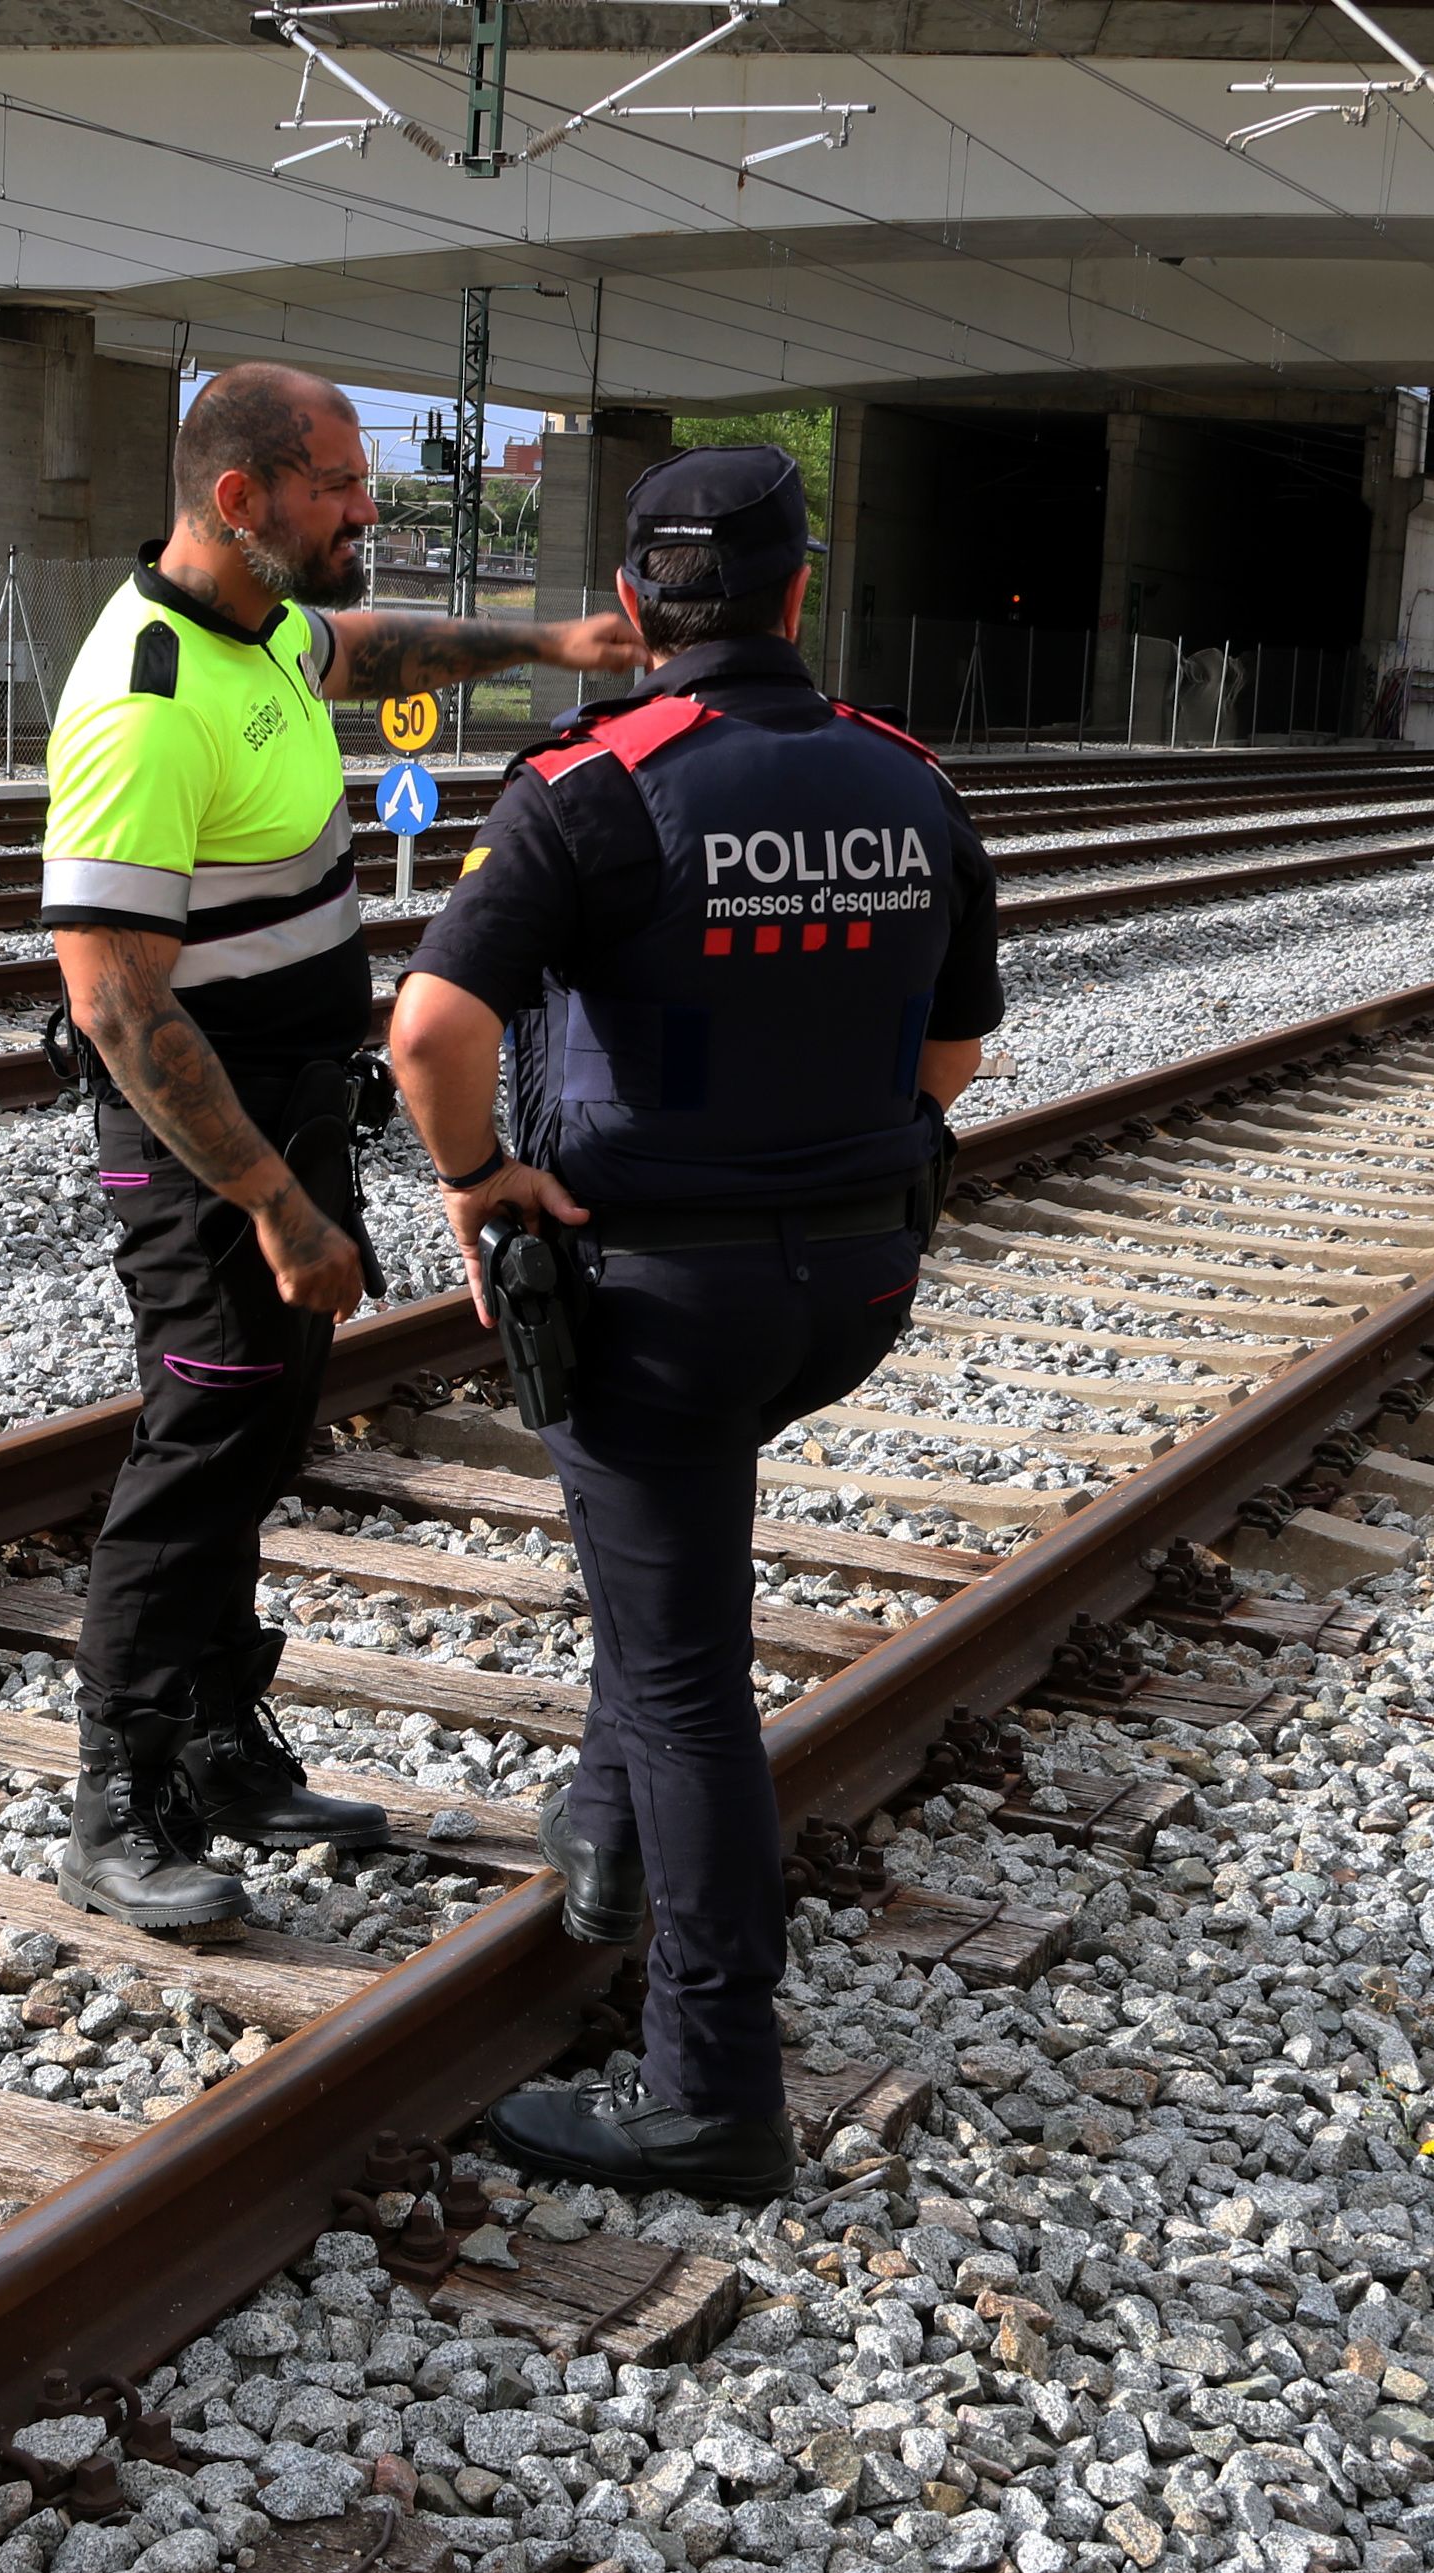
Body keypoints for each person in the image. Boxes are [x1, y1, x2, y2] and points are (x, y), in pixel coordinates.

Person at [384, 443, 1003, 2200]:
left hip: (655, 1298)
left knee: (685, 1678)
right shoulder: (908, 782)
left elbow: (431, 1033)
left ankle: (712, 2083)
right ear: (805, 594)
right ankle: (605, 1840)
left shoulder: (597, 787)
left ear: (638, 607)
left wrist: (480, 1179)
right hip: (854, 1287)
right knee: (659, 1574)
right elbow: (953, 1050)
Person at [44, 364, 644, 1935]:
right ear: (240, 504)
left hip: (288, 1117)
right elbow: (114, 1001)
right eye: (338, 486)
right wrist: (272, 1205)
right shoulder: (147, 695)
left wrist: (551, 643)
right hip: (207, 1143)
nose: (365, 509)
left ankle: (224, 1743)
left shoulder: (264, 634)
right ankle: (121, 1791)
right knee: (207, 1432)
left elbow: (372, 647)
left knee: (257, 1426)